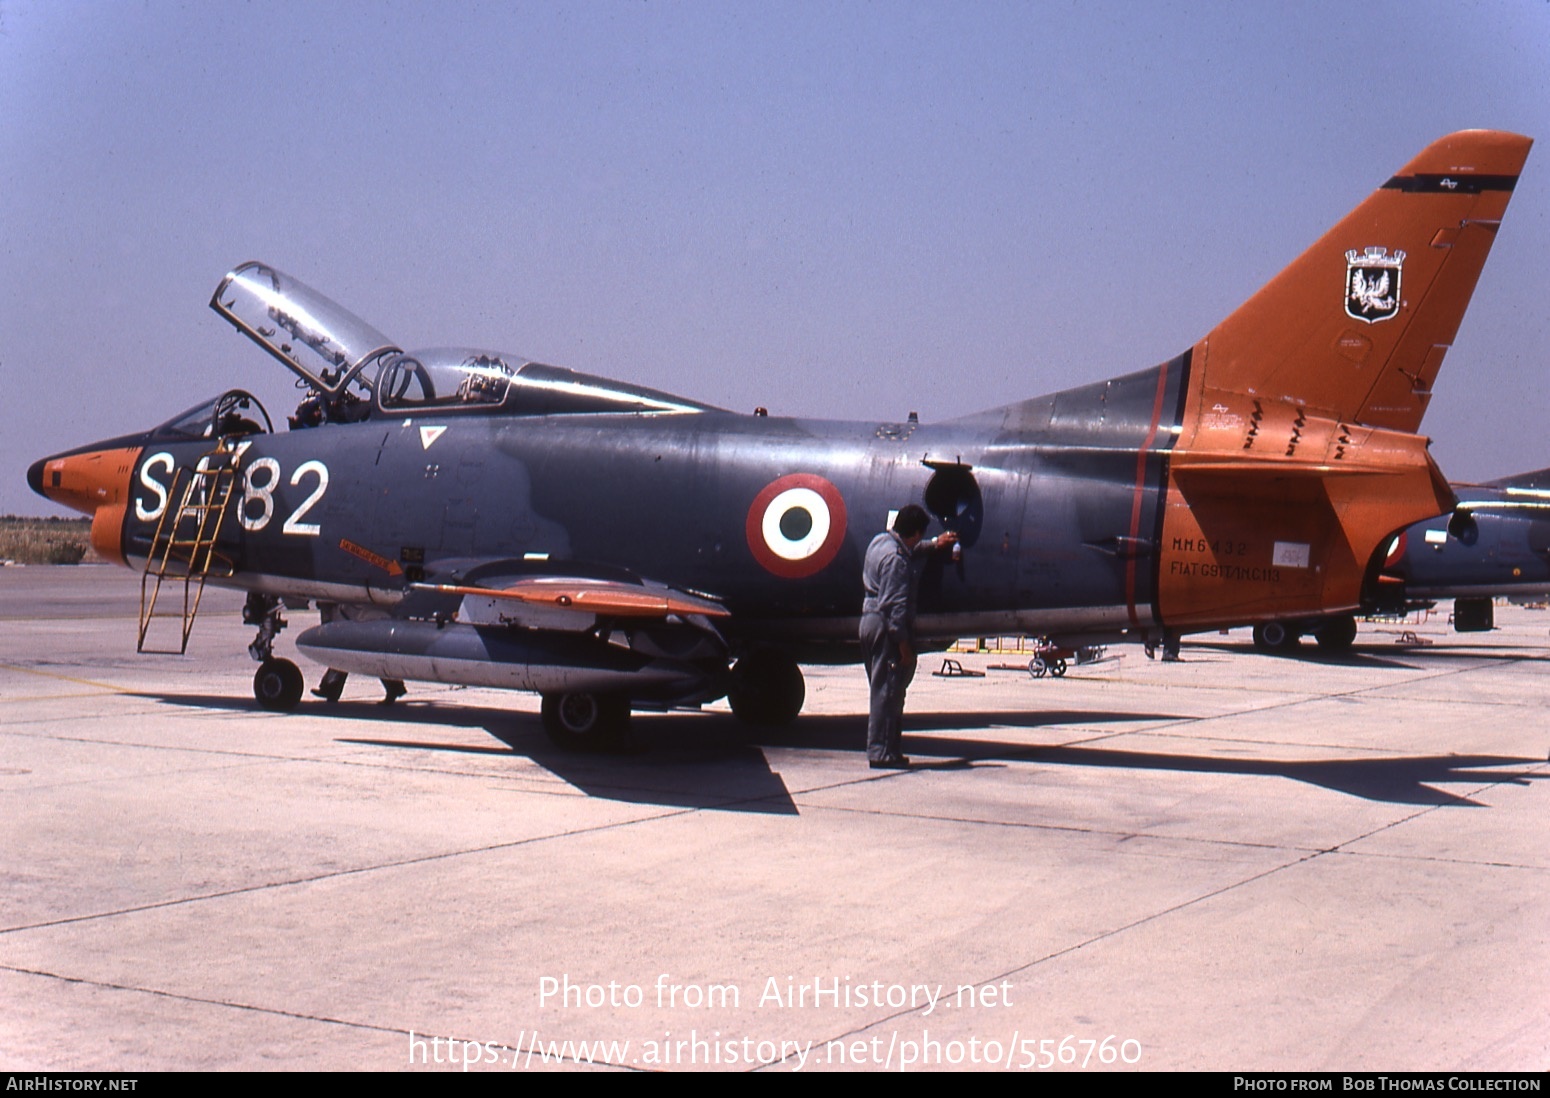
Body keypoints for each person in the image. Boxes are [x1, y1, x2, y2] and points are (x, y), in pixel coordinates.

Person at [859, 504, 957, 769]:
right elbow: (894, 609)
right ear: (914, 532)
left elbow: (910, 547)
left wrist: (935, 544)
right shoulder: (897, 562)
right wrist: (903, 647)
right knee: (887, 693)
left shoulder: (880, 542)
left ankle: (887, 749)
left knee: (883, 689)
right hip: (886, 628)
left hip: (868, 622)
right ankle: (881, 753)